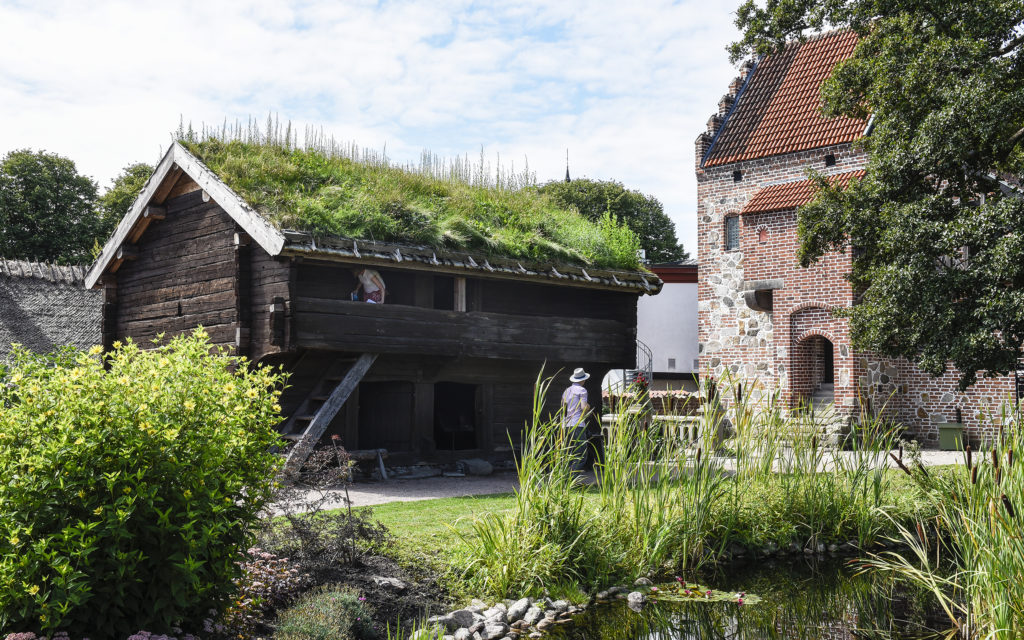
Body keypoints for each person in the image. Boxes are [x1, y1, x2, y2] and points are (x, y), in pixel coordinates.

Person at [561, 367, 591, 471]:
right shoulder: (582, 390)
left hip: (566, 424)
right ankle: (572, 477)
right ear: (582, 380)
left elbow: (563, 406)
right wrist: (588, 407)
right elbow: (583, 407)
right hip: (577, 424)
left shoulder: (566, 390)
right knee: (581, 455)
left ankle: (565, 480)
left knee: (569, 453)